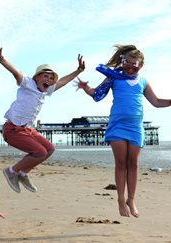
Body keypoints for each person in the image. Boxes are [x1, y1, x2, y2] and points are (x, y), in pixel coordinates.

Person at [76, 44, 171, 218]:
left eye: (135, 65)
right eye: (127, 64)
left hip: (136, 127)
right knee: (121, 163)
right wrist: (85, 88)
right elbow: (97, 95)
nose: (131, 68)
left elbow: (156, 102)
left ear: (141, 66)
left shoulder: (143, 81)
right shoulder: (115, 78)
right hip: (118, 125)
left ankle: (131, 199)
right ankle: (120, 199)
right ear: (123, 62)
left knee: (133, 164)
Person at [0, 44, 85, 193]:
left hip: (28, 130)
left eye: (51, 78)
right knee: (40, 152)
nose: (49, 80)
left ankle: (23, 173)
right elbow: (16, 72)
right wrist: (1, 59)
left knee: (50, 149)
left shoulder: (46, 91)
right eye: (45, 76)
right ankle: (12, 171)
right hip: (12, 130)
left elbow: (63, 81)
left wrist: (79, 70)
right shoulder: (27, 83)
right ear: (36, 77)